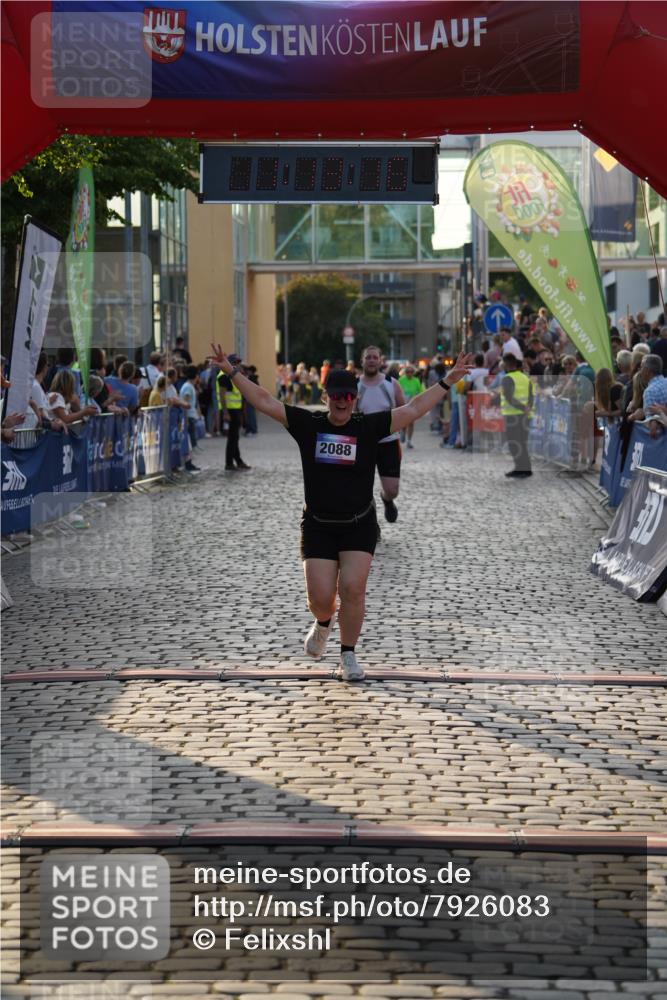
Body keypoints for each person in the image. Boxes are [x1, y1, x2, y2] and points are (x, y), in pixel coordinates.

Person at [208, 342, 472, 681]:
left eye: (348, 396)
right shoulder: (309, 424)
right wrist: (231, 372)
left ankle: (348, 654)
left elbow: (414, 408)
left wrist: (448, 381)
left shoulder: (368, 426)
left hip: (358, 524)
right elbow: (264, 401)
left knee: (352, 589)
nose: (342, 402)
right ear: (326, 397)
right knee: (320, 599)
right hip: (318, 525)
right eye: (336, 396)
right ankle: (323, 622)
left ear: (355, 399)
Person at [355, 344, 406, 525]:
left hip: (389, 443)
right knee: (361, 489)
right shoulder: (355, 386)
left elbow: (404, 410)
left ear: (380, 361)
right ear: (362, 361)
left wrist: (402, 430)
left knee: (392, 490)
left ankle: (387, 499)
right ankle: (368, 523)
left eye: (374, 357)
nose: (371, 361)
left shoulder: (391, 384)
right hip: (363, 443)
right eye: (368, 357)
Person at [497, 354, 533, 478]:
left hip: (512, 415)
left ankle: (520, 468)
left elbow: (508, 397)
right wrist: (528, 407)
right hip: (525, 416)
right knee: (522, 442)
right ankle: (526, 468)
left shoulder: (507, 378)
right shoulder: (525, 378)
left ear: (506, 364)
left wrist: (522, 407)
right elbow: (531, 395)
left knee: (514, 444)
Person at [218, 362, 251, 471]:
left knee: (234, 437)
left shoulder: (231, 374)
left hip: (235, 410)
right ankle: (229, 463)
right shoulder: (224, 376)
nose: (239, 366)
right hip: (230, 411)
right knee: (232, 438)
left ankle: (238, 461)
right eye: (237, 364)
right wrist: (225, 412)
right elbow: (222, 394)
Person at [397, 364, 423, 449]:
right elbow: (397, 391)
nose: (409, 373)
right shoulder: (401, 380)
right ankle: (403, 431)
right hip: (403, 404)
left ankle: (409, 441)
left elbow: (420, 391)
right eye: (407, 372)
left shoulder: (416, 380)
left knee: (411, 423)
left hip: (413, 404)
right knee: (404, 421)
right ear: (405, 372)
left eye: (411, 372)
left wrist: (417, 397)